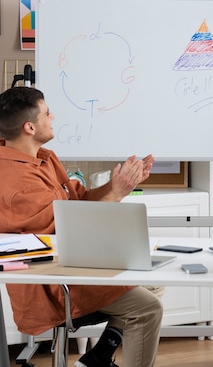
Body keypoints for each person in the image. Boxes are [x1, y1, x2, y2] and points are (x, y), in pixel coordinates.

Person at [0, 86, 163, 367]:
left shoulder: (43, 157)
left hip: (73, 264)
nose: (53, 117)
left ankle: (99, 356)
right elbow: (72, 231)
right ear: (29, 127)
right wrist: (117, 193)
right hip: (54, 283)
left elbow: (80, 200)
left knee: (155, 281)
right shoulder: (17, 183)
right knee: (147, 308)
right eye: (47, 113)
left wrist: (120, 185)